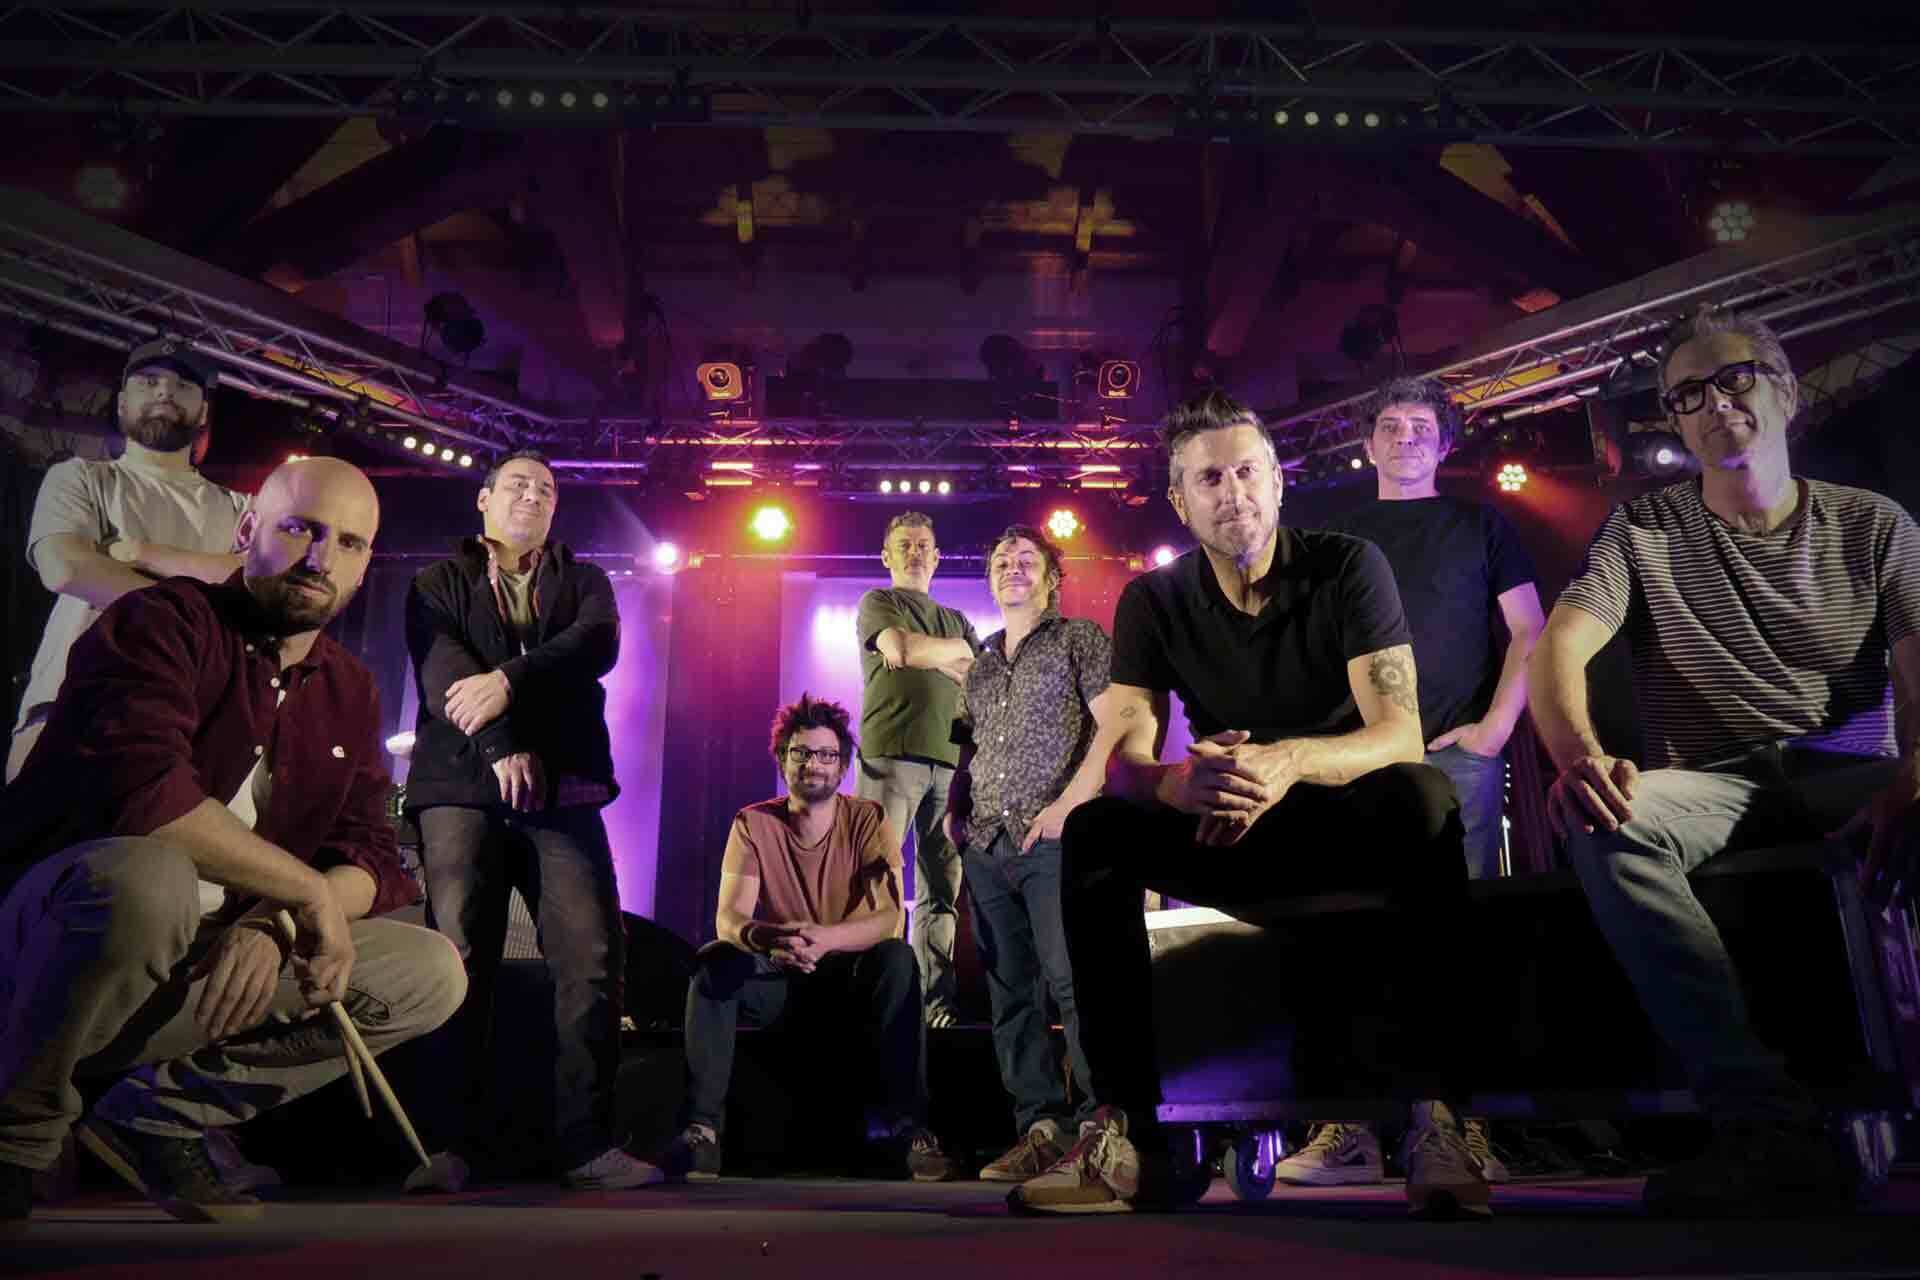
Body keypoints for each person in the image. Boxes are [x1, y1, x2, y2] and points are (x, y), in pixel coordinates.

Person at [1009, 390, 1490, 1219]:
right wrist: (1172, 782)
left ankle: (1437, 1116)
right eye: (1209, 479)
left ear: (1277, 481)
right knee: (1096, 829)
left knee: (1423, 794)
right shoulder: (1153, 600)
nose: (1231, 492)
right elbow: (1125, 756)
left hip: (1337, 824)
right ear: (1180, 501)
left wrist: (1288, 760)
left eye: (1245, 473)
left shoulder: (1348, 566)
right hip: (1226, 830)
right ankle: (1127, 1134)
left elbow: (1400, 734)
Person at [0, 458, 466, 1232]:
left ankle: (158, 1116)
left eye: (348, 543)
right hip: (57, 946)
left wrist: (271, 921)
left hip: (198, 958)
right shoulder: (159, 623)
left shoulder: (350, 687)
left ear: (364, 566)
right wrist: (301, 894)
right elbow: (145, 796)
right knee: (149, 877)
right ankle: (17, 1134)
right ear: (248, 531)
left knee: (428, 972)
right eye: (301, 529)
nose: (320, 558)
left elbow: (371, 855)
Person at [1530, 305, 1920, 1217]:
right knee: (1605, 818)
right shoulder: (1642, 530)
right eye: (1688, 394)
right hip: (1711, 781)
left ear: (1785, 391)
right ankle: (1763, 1126)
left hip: (1846, 770)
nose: (1714, 404)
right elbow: (1557, 650)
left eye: (1735, 378)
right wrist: (1580, 757)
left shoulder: (1872, 523)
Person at [1298, 376, 1545, 1187]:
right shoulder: (1337, 534)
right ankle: (1355, 1128)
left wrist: (1495, 729)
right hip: (1359, 761)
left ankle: (1459, 1127)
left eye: (1420, 425)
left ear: (1444, 442)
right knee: (1354, 937)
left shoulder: (1481, 524)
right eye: (1390, 423)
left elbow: (1529, 631)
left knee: (1457, 942)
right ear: (1367, 442)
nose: (1405, 435)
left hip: (1456, 756)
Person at [403, 450, 657, 1190]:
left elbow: (594, 646)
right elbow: (445, 676)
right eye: (517, 484)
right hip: (461, 789)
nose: (533, 495)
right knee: (456, 960)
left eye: (546, 489)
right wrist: (501, 745)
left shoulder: (586, 582)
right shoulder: (435, 582)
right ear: (482, 500)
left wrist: (510, 682)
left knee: (591, 958)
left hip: (564, 790)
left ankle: (585, 1146)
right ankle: (445, 1147)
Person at [664, 693, 957, 1183]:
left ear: (842, 766)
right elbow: (729, 919)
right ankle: (701, 1131)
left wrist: (825, 939)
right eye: (801, 753)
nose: (813, 764)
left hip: (847, 980)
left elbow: (889, 919)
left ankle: (909, 1130)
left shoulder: (868, 819)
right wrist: (768, 939)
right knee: (715, 961)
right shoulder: (753, 822)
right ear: (782, 759)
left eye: (826, 755)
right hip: (780, 974)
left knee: (898, 957)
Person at [945, 525, 1120, 1183]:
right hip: (987, 845)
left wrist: (1070, 806)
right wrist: (956, 814)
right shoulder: (983, 662)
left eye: (1026, 559)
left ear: (1051, 578)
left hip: (1054, 840)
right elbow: (969, 744)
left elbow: (1115, 726)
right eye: (1001, 559)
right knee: (1011, 996)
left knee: (1074, 983)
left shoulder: (1080, 639)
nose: (1012, 567)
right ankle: (1040, 1130)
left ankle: (1102, 1132)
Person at [9, 338, 248, 781]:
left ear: (204, 413)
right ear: (121, 404)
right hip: (70, 703)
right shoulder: (79, 477)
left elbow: (249, 581)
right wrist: (199, 609)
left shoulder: (240, 508)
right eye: (149, 381)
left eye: (182, 385)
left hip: (188, 720)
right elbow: (65, 567)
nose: (165, 391)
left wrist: (139, 552)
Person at [855, 512, 981, 1028]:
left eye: (923, 544)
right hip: (890, 756)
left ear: (937, 556)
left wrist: (928, 653)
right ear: (887, 556)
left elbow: (976, 673)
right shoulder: (878, 603)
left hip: (951, 766)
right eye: (903, 544)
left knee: (942, 892)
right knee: (876, 882)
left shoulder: (957, 619)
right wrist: (944, 654)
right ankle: (878, 1002)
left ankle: (935, 1005)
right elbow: (901, 649)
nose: (914, 552)